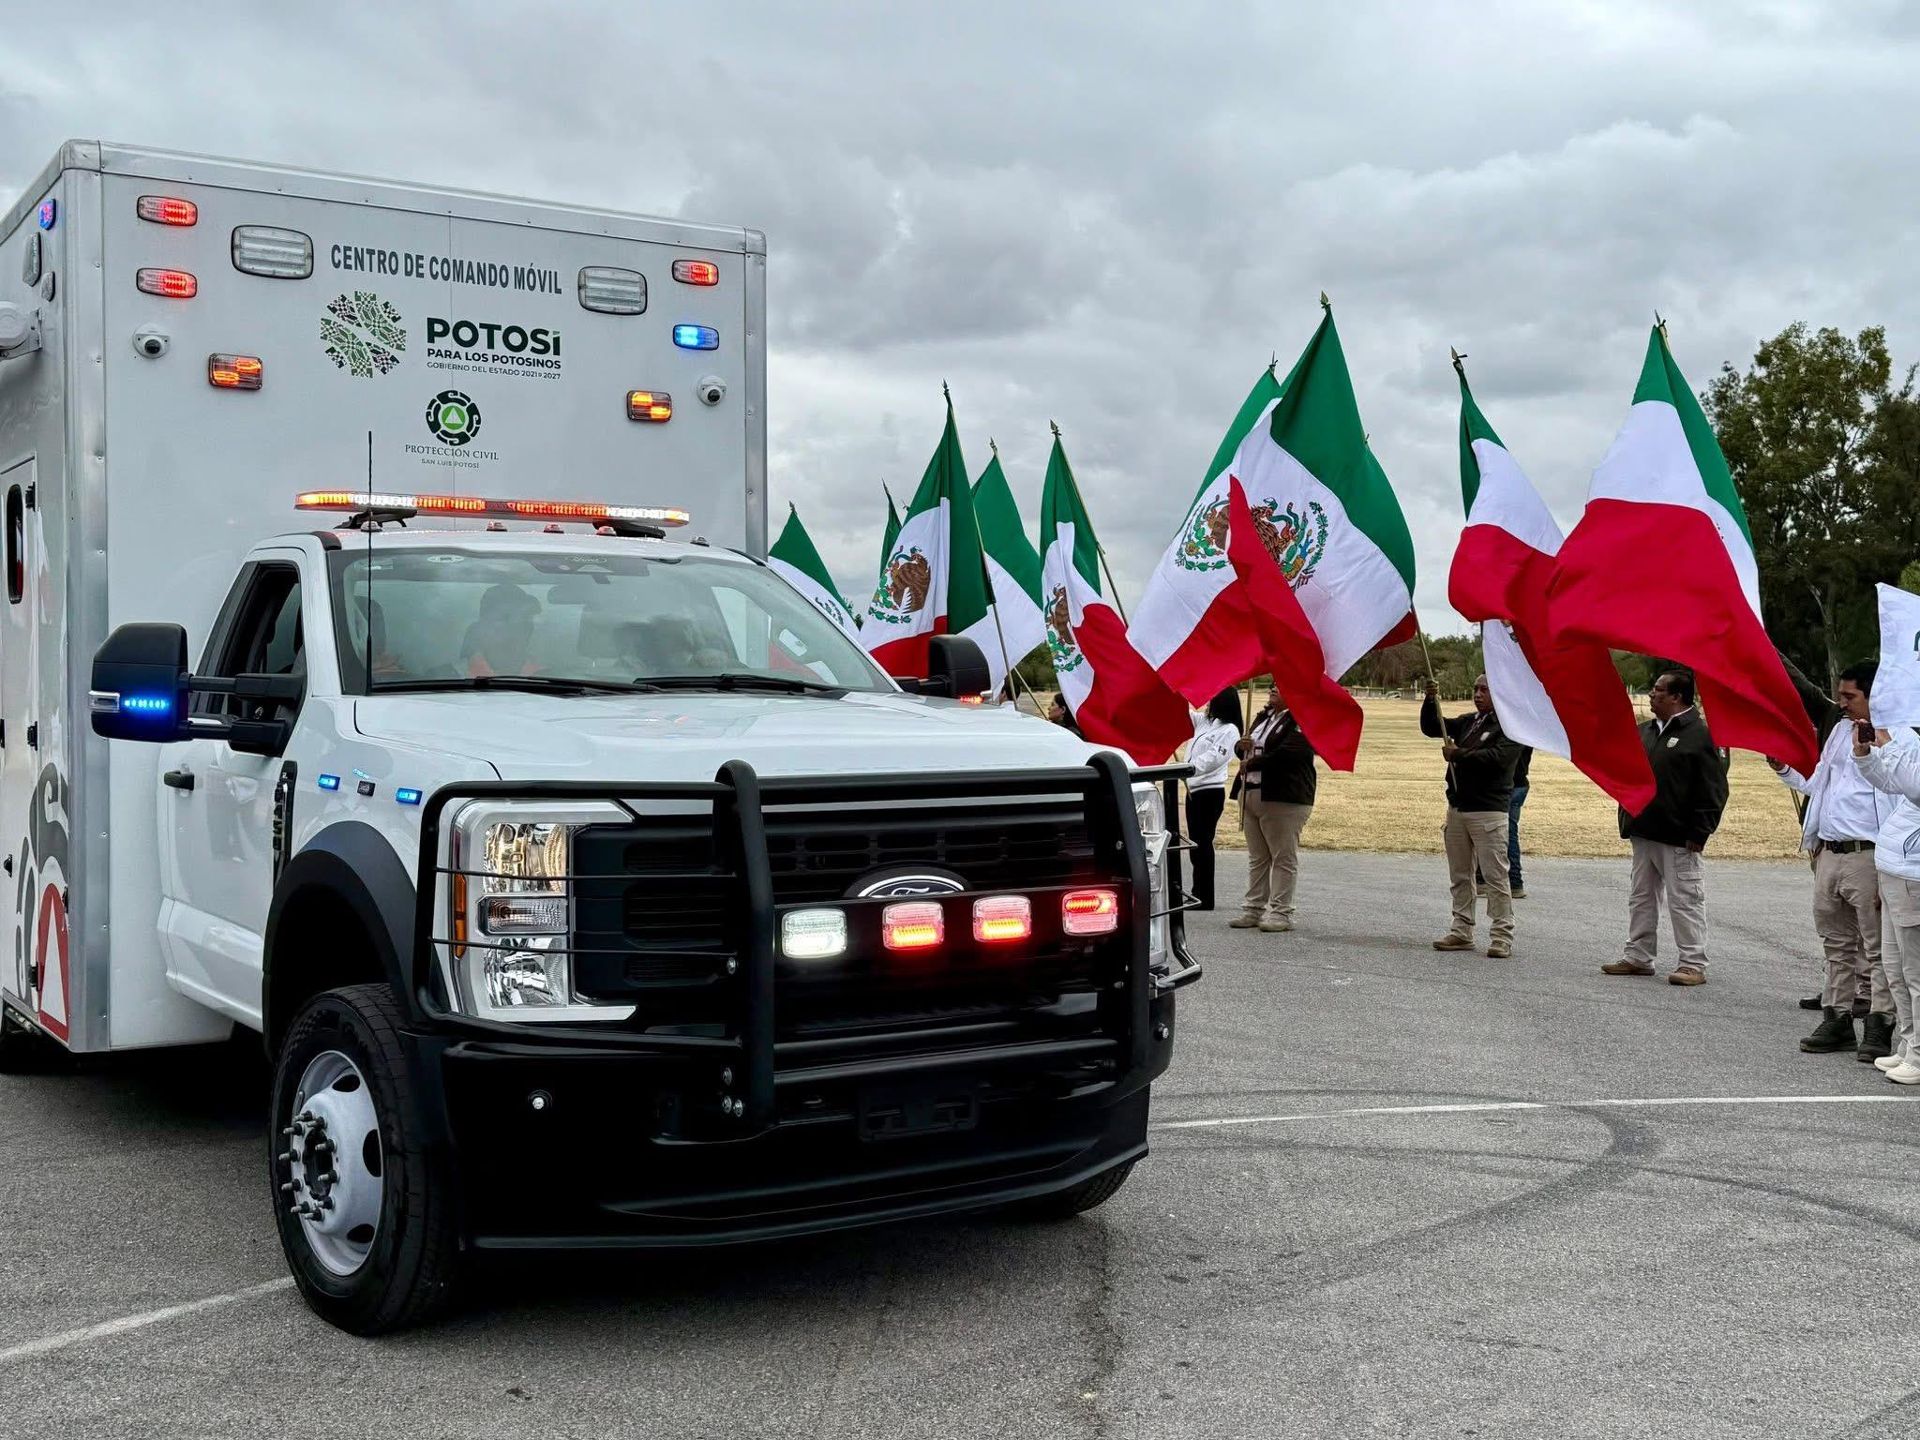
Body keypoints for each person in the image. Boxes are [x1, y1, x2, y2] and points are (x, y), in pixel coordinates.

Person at [1767, 661, 1897, 1061]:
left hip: (1869, 855)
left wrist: (1889, 865)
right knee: (1836, 944)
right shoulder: (1841, 731)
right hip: (1831, 851)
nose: (1840, 703)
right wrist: (1786, 770)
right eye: (1840, 694)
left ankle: (1880, 1024)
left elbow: (1899, 799)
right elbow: (1820, 781)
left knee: (1877, 949)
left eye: (1849, 696)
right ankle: (1837, 1018)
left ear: (1874, 696)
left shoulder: (1898, 738)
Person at [1602, 671, 1728, 985]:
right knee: (1641, 897)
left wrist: (1701, 831)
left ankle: (1692, 963)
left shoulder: (1702, 736)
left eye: (1658, 690)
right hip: (1644, 830)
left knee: (1685, 899)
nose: (1651, 694)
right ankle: (1638, 956)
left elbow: (1714, 789)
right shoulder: (1644, 731)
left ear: (1677, 697)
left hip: (1679, 837)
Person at [1422, 676, 1522, 958]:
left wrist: (1459, 754)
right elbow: (1433, 727)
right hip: (1458, 808)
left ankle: (1502, 935)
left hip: (1488, 811)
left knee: (1495, 877)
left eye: (1485, 690)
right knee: (1460, 875)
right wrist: (1431, 700)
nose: (1478, 694)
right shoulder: (1470, 722)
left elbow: (1497, 759)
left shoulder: (1511, 727)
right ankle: (1461, 929)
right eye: (1476, 689)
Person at [1856, 723, 1920, 1084]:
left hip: (1914, 873)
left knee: (1916, 973)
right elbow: (1893, 782)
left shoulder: (1907, 741)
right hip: (1895, 869)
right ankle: (1910, 1045)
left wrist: (1888, 745)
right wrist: (1865, 756)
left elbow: (1916, 785)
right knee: (1896, 972)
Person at [1230, 689, 1317, 933]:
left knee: (1283, 856)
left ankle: (1281, 912)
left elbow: (1292, 753)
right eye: (1272, 684)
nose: (1273, 688)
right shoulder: (1263, 716)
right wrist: (1241, 746)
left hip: (1284, 796)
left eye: (1281, 685)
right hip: (1251, 792)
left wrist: (1253, 761)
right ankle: (1253, 908)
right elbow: (1246, 748)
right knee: (1258, 857)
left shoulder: (1300, 718)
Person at [1184, 689, 1243, 911]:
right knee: (1194, 843)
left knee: (1203, 842)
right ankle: (1196, 891)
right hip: (1193, 789)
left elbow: (1214, 758)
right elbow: (1184, 713)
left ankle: (1205, 895)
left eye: (1212, 699)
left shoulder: (1230, 730)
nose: (1208, 703)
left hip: (1209, 791)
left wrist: (1189, 769)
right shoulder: (1205, 723)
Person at [1477, 743, 1533, 900]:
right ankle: (1514, 882)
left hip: (1504, 783)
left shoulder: (1504, 728)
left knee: (1488, 829)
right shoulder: (1525, 729)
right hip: (1520, 782)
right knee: (1509, 832)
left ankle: (1483, 879)